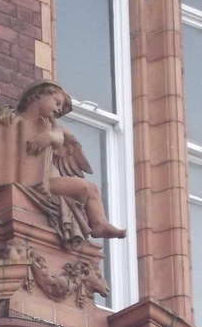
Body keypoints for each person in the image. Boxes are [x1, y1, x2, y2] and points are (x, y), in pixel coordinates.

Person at [15, 81, 126, 241]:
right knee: (85, 187)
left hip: (50, 181)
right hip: (42, 182)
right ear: (39, 94)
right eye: (56, 102)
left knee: (92, 187)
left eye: (60, 108)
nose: (58, 109)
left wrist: (51, 135)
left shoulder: (51, 127)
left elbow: (59, 139)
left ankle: (99, 223)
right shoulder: (16, 121)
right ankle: (98, 223)